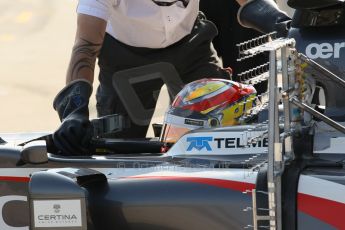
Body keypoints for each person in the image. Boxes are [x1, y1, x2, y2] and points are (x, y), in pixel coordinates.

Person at [52, 0, 291, 155]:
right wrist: (73, 111)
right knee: (117, 148)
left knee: (224, 134)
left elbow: (254, 3)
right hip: (125, 60)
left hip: (191, 49)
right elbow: (84, 48)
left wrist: (282, 23)